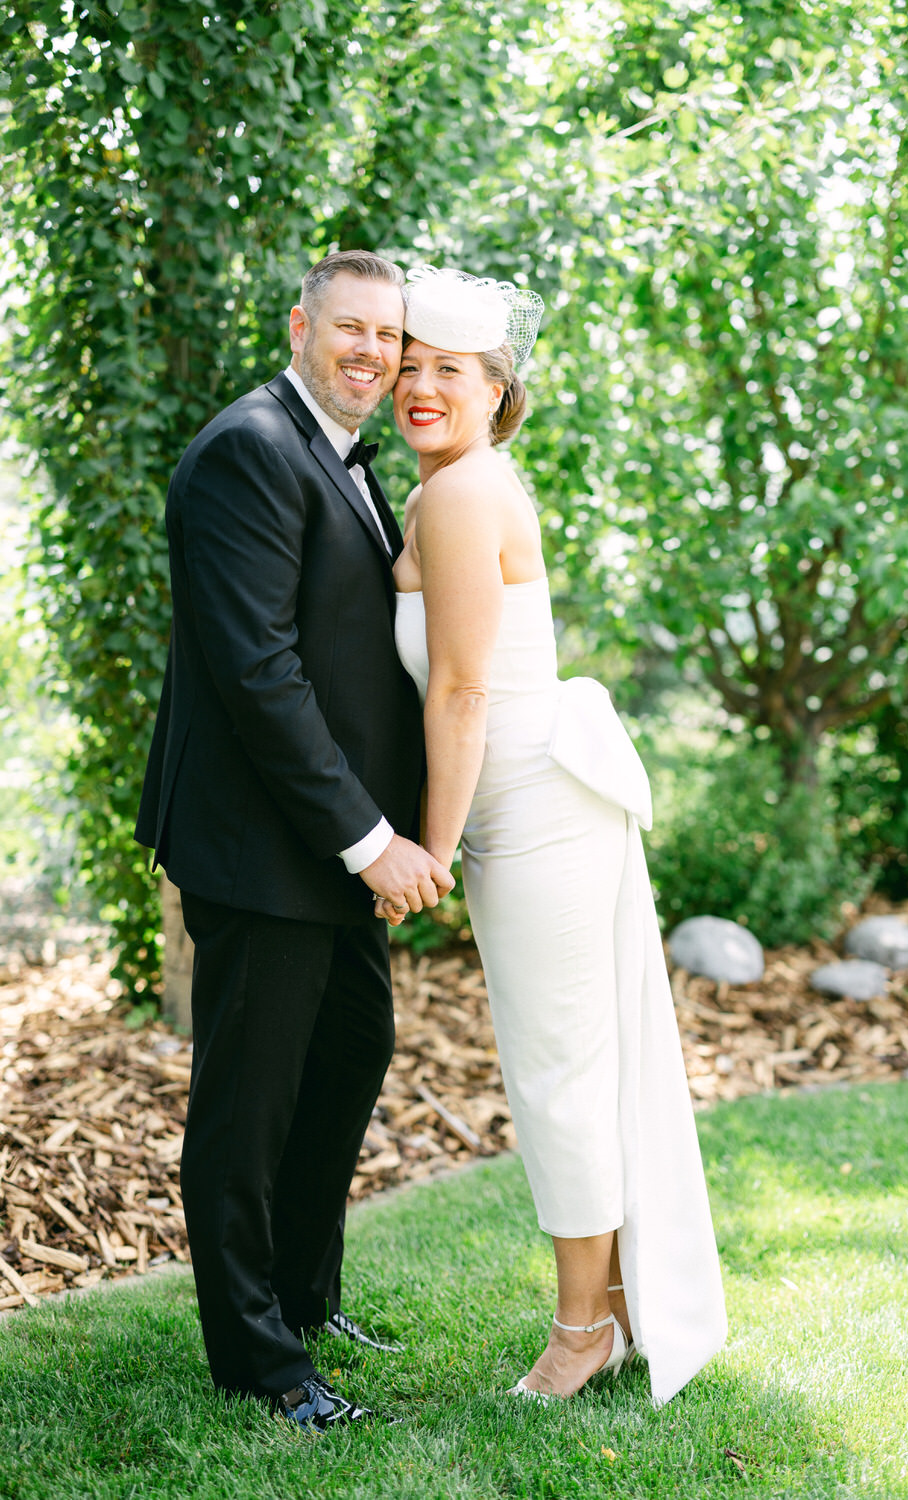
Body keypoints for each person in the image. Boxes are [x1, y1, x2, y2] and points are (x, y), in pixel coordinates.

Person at [381, 266, 727, 1403]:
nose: (423, 387)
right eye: (412, 365)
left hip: (530, 811)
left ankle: (584, 1332)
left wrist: (428, 849)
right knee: (572, 1060)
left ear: (498, 391)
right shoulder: (454, 484)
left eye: (452, 372)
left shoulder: (465, 492)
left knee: (559, 1069)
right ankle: (614, 1308)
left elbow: (465, 690)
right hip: (529, 806)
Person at [135, 249, 453, 1430]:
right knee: (248, 1108)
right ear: (301, 325)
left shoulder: (331, 450)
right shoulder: (247, 453)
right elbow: (259, 675)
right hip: (261, 847)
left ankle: (304, 1301)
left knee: (350, 1055)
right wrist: (374, 842)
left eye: (391, 336)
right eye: (352, 329)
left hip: (325, 848)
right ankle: (259, 1364)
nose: (374, 352)